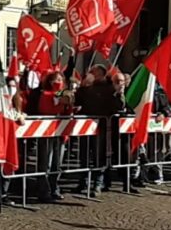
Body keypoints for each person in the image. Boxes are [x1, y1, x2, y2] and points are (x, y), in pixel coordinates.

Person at [74, 65, 123, 195]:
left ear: (101, 73)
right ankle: (83, 182)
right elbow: (77, 101)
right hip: (86, 127)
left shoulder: (109, 88)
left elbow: (117, 106)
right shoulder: (87, 88)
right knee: (84, 156)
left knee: (99, 156)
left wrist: (119, 94)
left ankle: (97, 184)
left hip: (102, 127)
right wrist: (81, 87)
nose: (91, 74)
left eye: (93, 72)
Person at [29, 72, 74, 202]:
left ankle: (54, 188)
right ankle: (43, 190)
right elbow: (46, 108)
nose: (58, 82)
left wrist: (68, 105)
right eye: (56, 79)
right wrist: (58, 101)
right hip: (47, 133)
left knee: (57, 163)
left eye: (60, 79)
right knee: (45, 163)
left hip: (60, 134)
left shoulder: (65, 94)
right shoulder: (45, 95)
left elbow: (67, 112)